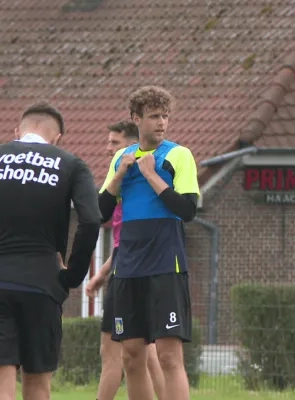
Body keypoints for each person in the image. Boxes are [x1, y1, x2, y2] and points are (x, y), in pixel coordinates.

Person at [98, 86, 199, 400]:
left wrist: (152, 176)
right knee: (130, 355)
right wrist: (119, 176)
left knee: (169, 356)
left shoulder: (178, 155)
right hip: (128, 268)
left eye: (165, 116)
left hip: (165, 265)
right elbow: (100, 211)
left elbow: (188, 210)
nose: (162, 123)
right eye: (155, 116)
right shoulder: (120, 158)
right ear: (136, 119)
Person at [0, 102, 101, 400]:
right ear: (57, 138)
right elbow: (92, 219)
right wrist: (72, 275)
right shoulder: (70, 164)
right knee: (38, 383)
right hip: (43, 283)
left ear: (17, 131)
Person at [86, 120, 166, 400]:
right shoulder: (124, 185)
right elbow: (122, 243)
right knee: (146, 354)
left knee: (114, 352)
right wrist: (102, 273)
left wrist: (106, 273)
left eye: (114, 143)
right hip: (129, 268)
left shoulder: (127, 188)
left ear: (131, 146)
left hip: (132, 275)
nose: (108, 149)